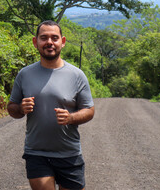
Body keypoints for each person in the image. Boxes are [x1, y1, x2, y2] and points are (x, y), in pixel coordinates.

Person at [7, 20, 95, 190]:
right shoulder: (24, 74)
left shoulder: (77, 75)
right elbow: (12, 108)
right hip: (37, 153)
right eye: (44, 38)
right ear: (35, 42)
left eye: (54, 38)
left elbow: (89, 110)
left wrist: (70, 117)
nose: (49, 42)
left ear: (62, 41)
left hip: (70, 153)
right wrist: (20, 108)